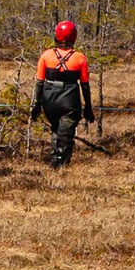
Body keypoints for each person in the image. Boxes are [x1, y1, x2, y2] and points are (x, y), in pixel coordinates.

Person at [31, 19, 95, 167]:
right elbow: (85, 85)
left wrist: (36, 104)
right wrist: (88, 107)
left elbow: (39, 82)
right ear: (74, 36)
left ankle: (56, 160)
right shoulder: (80, 58)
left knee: (55, 129)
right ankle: (60, 162)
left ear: (56, 36)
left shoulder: (46, 55)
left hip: (49, 99)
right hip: (69, 100)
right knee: (65, 132)